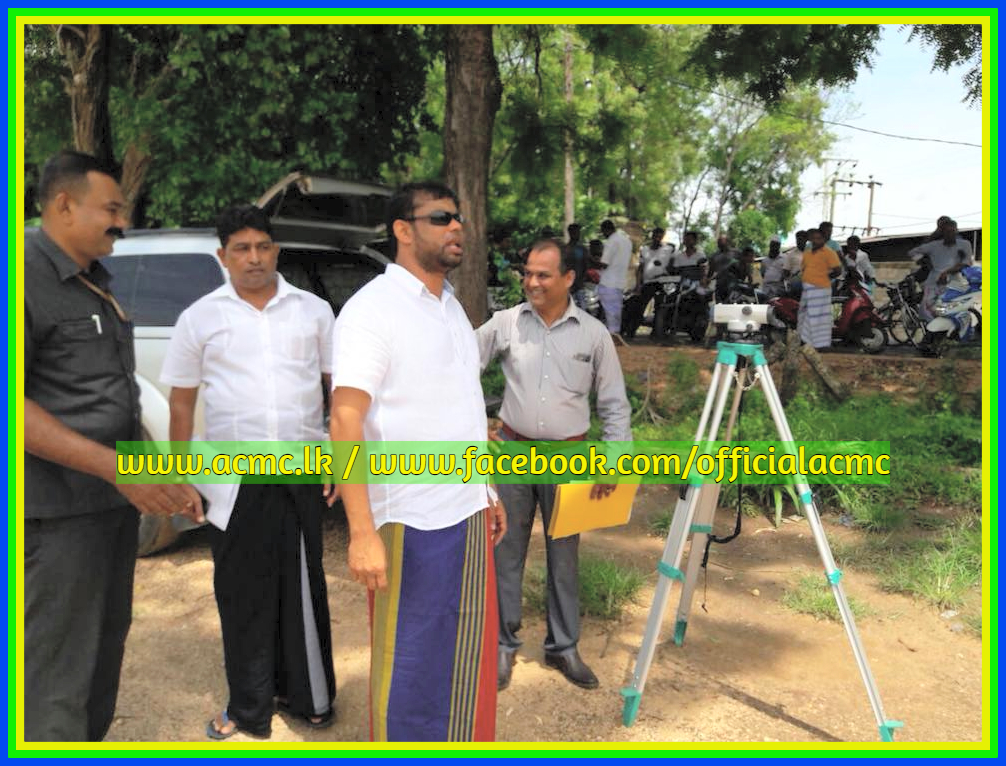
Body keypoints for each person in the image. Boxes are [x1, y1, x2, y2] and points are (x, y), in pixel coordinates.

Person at [24, 150, 203, 741]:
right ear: (63, 205)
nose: (123, 221)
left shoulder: (93, 278)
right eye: (112, 208)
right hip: (55, 516)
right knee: (56, 675)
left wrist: (156, 477)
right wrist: (117, 469)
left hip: (107, 509)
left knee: (102, 656)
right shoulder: (22, 277)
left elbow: (108, 401)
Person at [328, 182, 506, 742]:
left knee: (465, 657)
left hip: (466, 510)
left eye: (459, 218)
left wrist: (486, 489)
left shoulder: (451, 307)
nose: (457, 228)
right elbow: (345, 421)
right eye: (441, 217)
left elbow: (461, 407)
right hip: (410, 519)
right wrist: (361, 533)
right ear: (403, 230)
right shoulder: (370, 311)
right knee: (409, 668)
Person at [160, 205, 337, 739]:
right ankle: (248, 706)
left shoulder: (313, 311)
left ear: (275, 250)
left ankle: (309, 697)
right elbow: (181, 404)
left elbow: (336, 391)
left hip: (302, 467)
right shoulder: (199, 317)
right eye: (241, 248)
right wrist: (180, 475)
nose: (254, 257)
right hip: (232, 479)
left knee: (303, 584)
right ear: (223, 256)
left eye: (262, 246)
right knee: (241, 593)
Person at [476, 239, 631, 692]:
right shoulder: (505, 323)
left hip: (569, 458)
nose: (531, 282)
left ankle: (563, 647)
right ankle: (503, 645)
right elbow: (459, 367)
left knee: (564, 556)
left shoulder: (593, 334)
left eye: (542, 274)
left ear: (568, 278)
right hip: (512, 452)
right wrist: (473, 422)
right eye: (527, 273)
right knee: (505, 550)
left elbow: (614, 403)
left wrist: (614, 461)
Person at [908, 219, 975, 321]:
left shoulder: (960, 242)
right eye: (945, 230)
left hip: (952, 277)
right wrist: (927, 262)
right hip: (933, 277)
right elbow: (916, 254)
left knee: (957, 303)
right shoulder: (933, 241)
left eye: (952, 230)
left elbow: (966, 262)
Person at [622, 227, 673, 339]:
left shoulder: (669, 249)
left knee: (661, 307)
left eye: (660, 236)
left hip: (663, 282)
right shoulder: (644, 249)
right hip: (648, 282)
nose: (657, 238)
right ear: (652, 236)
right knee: (640, 306)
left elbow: (672, 264)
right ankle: (631, 331)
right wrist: (638, 284)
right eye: (656, 236)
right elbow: (641, 267)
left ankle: (657, 333)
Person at [798, 228, 843, 349]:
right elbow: (804, 268)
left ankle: (820, 345)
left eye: (819, 238)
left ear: (824, 239)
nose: (816, 241)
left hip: (821, 289)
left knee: (819, 317)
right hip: (807, 289)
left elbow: (838, 270)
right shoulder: (807, 253)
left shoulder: (829, 252)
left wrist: (825, 277)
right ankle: (804, 342)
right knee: (804, 315)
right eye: (814, 238)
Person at [597, 219, 632, 343]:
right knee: (616, 313)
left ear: (606, 230)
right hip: (620, 281)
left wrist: (591, 260)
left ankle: (612, 338)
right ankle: (615, 335)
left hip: (608, 281)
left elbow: (604, 263)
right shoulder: (627, 241)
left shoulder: (611, 241)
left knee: (609, 313)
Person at [564, 223, 589, 310]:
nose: (578, 234)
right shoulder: (565, 249)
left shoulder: (582, 249)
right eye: (576, 232)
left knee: (583, 310)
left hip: (579, 285)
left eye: (579, 232)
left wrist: (581, 281)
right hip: (569, 286)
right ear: (570, 233)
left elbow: (586, 266)